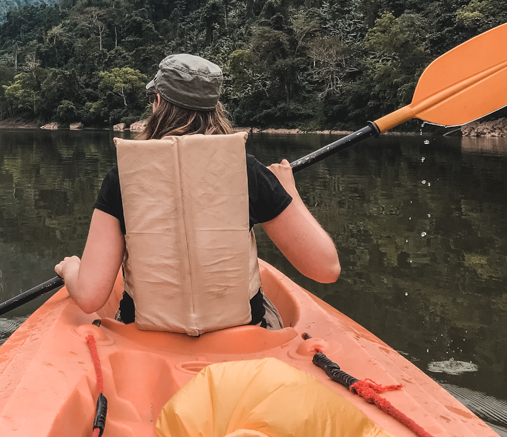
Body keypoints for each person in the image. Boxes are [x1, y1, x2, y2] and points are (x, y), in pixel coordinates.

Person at [55, 54, 340, 333]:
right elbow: (325, 269)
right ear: (215, 108)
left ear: (157, 102)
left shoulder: (122, 177)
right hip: (241, 335)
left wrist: (71, 269)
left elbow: (91, 297)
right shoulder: (246, 170)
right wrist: (289, 191)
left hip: (148, 336)